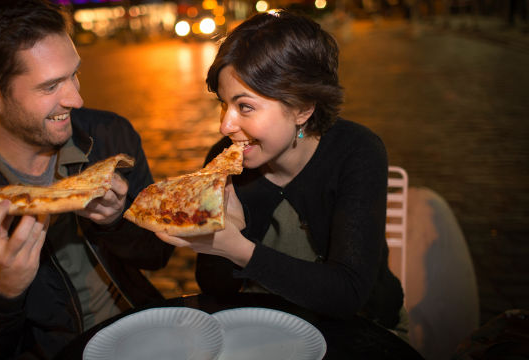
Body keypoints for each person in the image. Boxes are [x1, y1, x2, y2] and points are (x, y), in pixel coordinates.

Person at [0, 0, 173, 358]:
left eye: (74, 73)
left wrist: (116, 222)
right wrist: (0, 293)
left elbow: (157, 256)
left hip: (139, 328)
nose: (76, 97)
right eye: (50, 86)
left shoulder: (110, 134)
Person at [157, 11, 406, 334]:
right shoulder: (223, 158)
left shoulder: (357, 152)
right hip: (267, 330)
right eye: (223, 103)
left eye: (244, 106)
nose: (225, 125)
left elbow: (349, 295)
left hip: (363, 331)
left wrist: (239, 249)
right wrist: (229, 231)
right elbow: (214, 288)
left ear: (303, 107)